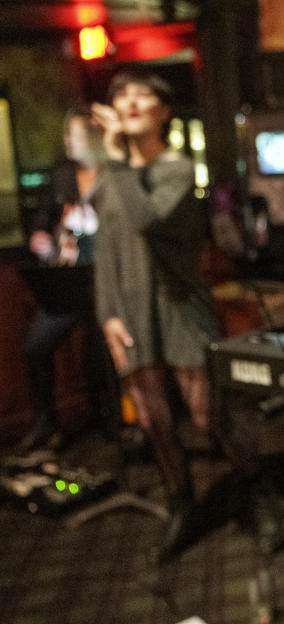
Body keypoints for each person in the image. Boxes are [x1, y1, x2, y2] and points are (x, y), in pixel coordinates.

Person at [90, 69, 229, 559]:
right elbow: (104, 249)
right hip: (130, 310)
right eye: (119, 94)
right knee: (153, 419)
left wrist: (115, 161)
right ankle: (182, 502)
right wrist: (107, 314)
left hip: (180, 307)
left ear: (164, 112)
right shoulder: (112, 177)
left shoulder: (178, 169)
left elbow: (146, 219)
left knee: (206, 415)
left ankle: (258, 485)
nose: (128, 102)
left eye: (141, 94)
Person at [19, 106, 109, 452]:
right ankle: (45, 423)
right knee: (35, 346)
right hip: (69, 274)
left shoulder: (113, 173)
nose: (68, 142)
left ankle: (119, 421)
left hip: (107, 274)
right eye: (66, 135)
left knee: (109, 350)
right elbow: (42, 218)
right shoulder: (61, 174)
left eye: (75, 135)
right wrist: (40, 234)